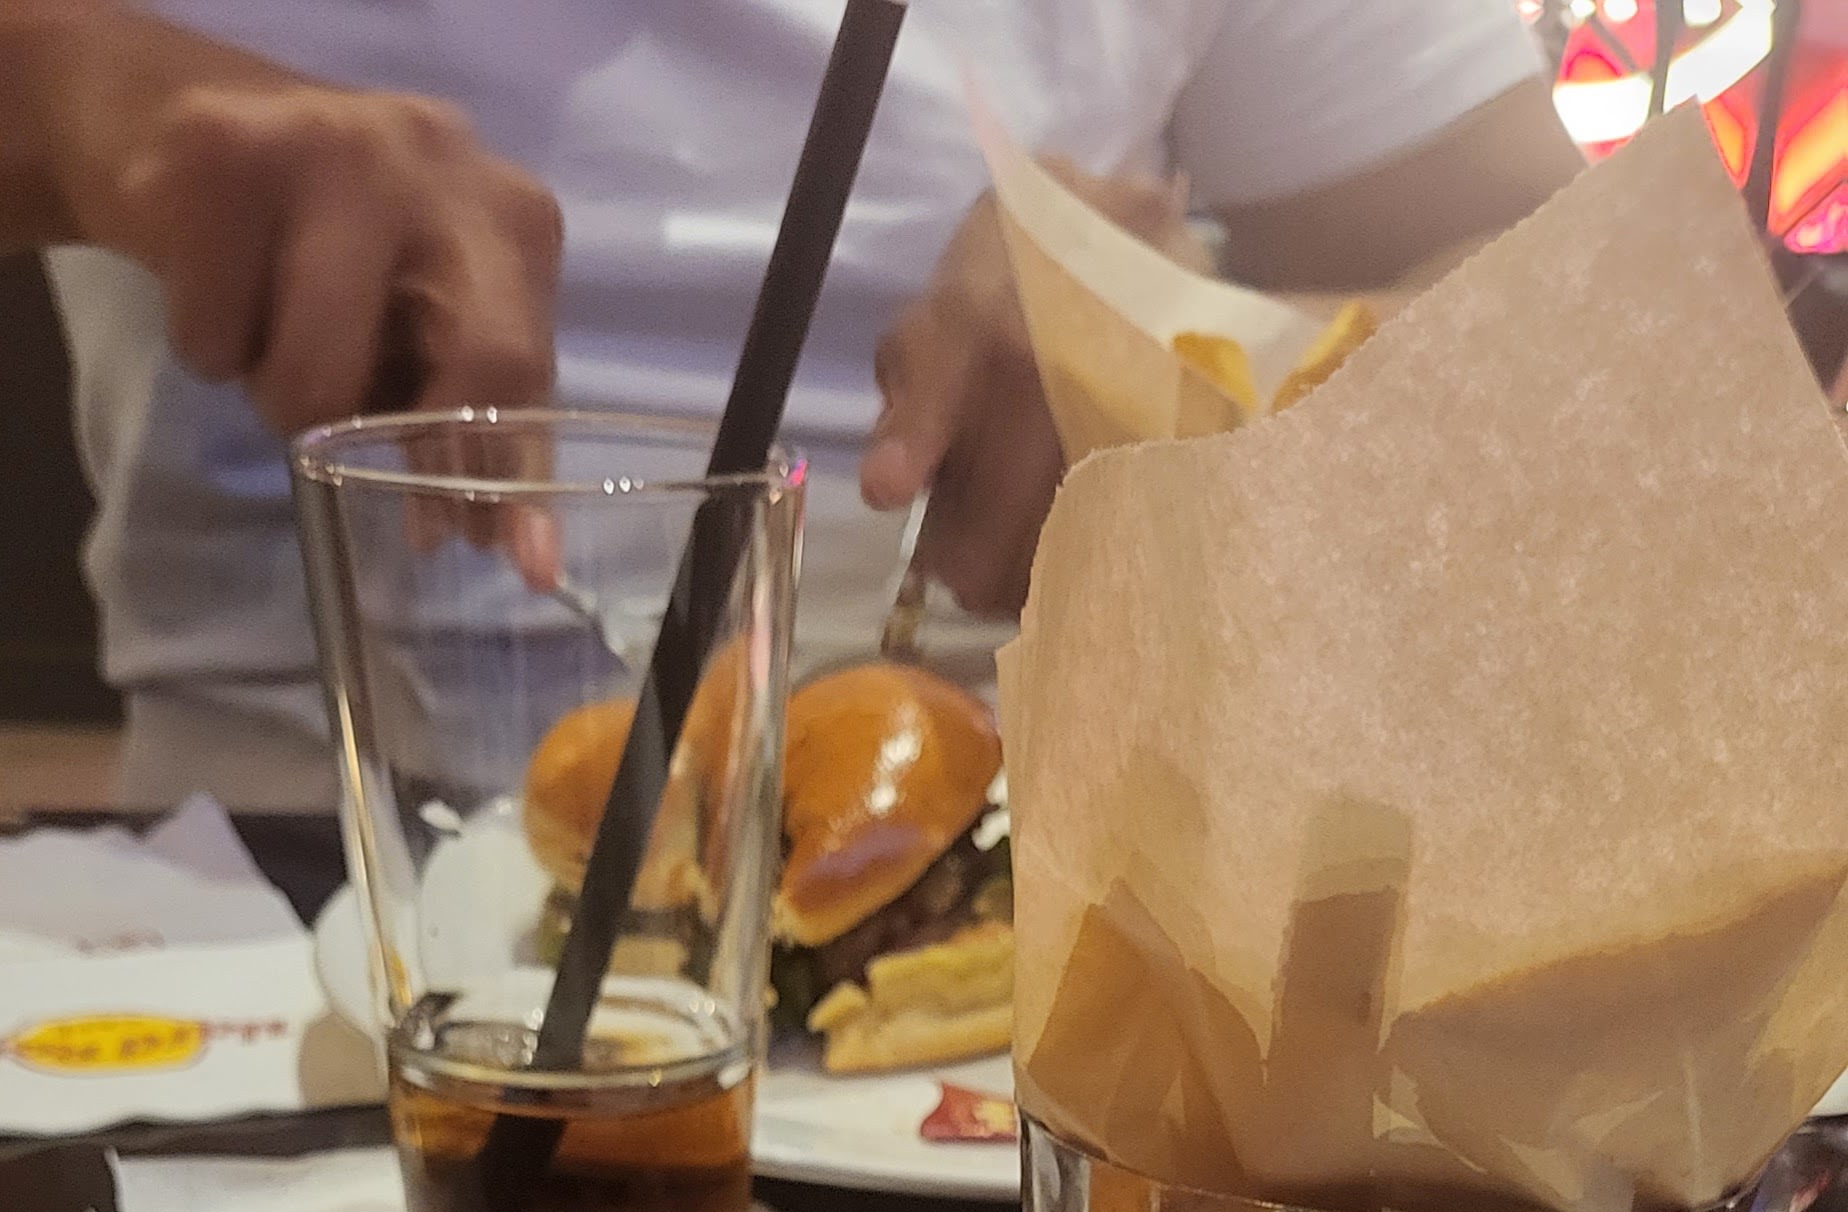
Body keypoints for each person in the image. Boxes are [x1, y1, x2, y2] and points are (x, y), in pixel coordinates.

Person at [0, 0, 1572, 802]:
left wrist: (1214, 344)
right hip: (272, 907)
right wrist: (75, 93)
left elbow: (1575, 313)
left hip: (1060, 919)